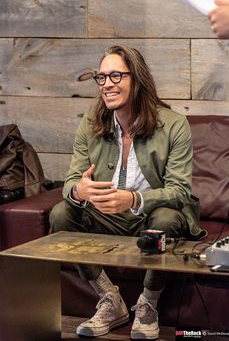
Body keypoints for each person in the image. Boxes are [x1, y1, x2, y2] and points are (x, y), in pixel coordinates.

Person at [49, 45, 205, 340]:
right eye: (102, 77)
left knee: (168, 220)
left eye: (116, 75)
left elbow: (180, 190)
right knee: (61, 213)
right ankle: (110, 299)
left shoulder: (173, 125)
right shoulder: (91, 122)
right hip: (106, 216)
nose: (107, 84)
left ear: (138, 79)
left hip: (149, 216)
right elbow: (71, 180)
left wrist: (134, 198)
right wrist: (79, 190)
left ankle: (147, 304)